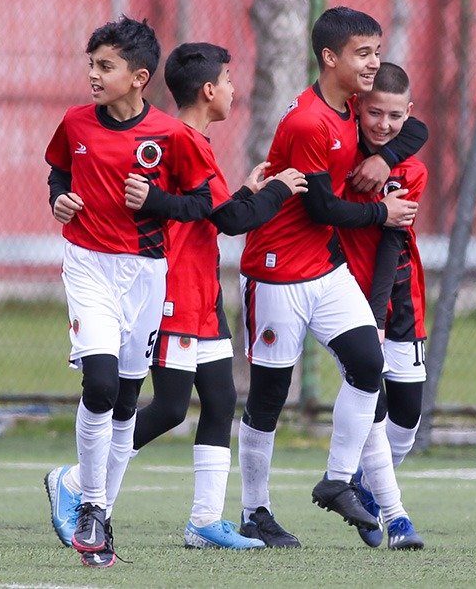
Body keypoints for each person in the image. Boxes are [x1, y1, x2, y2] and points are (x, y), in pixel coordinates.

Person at [46, 42, 307, 552]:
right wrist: (278, 190)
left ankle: (205, 520)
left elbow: (213, 207)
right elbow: (228, 220)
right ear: (209, 91)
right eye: (229, 80)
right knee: (165, 407)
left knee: (220, 399)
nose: (235, 89)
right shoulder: (178, 138)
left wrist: (251, 192)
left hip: (201, 294)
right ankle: (81, 487)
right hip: (171, 292)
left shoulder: (187, 139)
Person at [237, 6, 428, 547]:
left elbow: (414, 124)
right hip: (276, 270)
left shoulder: (351, 108)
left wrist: (388, 155)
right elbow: (320, 208)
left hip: (324, 267)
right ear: (330, 58)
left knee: (369, 364)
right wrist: (382, 214)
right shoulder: (307, 122)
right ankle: (255, 511)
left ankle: (339, 480)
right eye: (363, 53)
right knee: (270, 395)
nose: (374, 62)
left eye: (375, 51)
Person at [42, 16, 219, 569]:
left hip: (145, 275)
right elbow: (58, 174)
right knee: (98, 384)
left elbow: (202, 206)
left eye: (105, 66)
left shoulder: (172, 136)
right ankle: (91, 507)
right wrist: (60, 200)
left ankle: (98, 510)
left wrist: (156, 203)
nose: (93, 75)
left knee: (124, 401)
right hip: (88, 266)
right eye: (91, 64)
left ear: (139, 77)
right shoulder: (75, 123)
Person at [339, 61, 428, 550]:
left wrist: (389, 156)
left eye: (395, 116)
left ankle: (365, 487)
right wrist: (367, 320)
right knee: (371, 397)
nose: (384, 125)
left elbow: (394, 242)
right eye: (375, 113)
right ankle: (394, 514)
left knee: (408, 418)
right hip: (347, 291)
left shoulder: (411, 166)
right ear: (358, 108)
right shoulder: (338, 150)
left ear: (407, 113)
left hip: (400, 292)